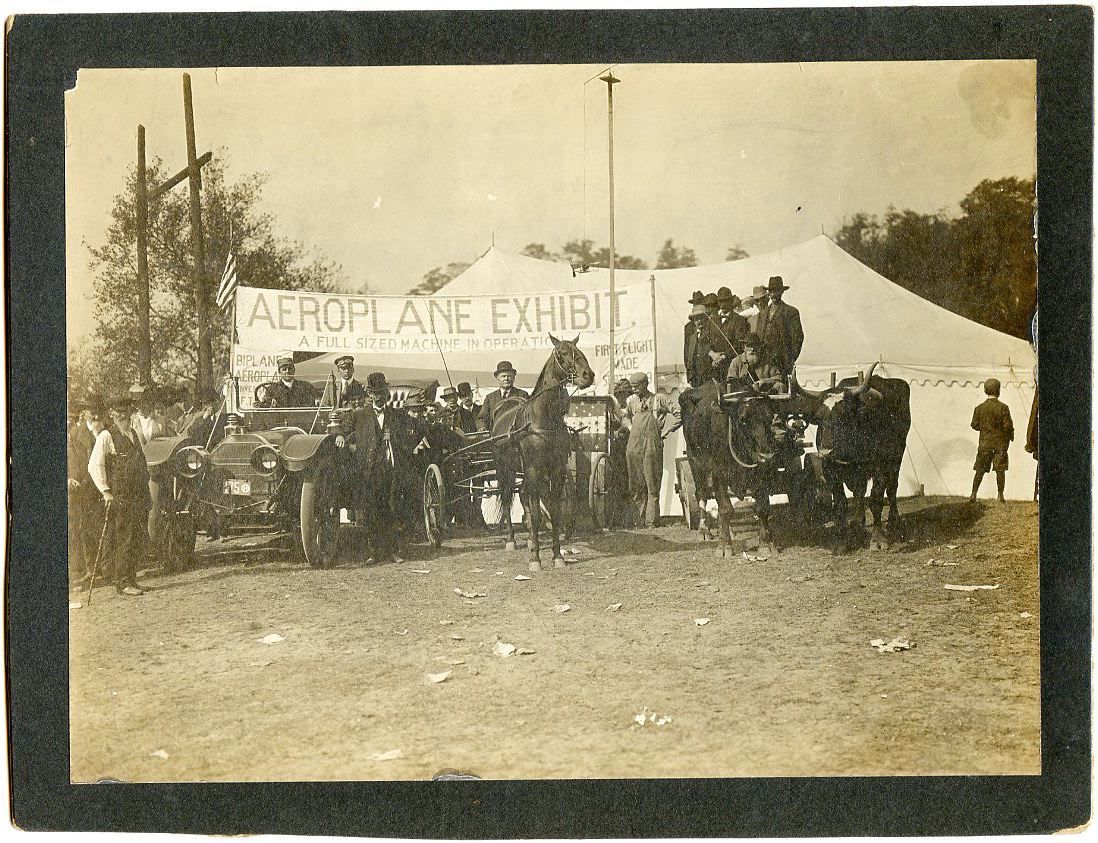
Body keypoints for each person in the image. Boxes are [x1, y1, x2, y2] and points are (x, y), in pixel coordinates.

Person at [335, 372, 412, 563]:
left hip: (390, 468)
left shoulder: (396, 415)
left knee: (392, 509)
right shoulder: (359, 415)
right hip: (368, 470)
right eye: (375, 393)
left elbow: (413, 430)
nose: (378, 396)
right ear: (369, 394)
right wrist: (339, 436)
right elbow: (341, 427)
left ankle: (394, 551)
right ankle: (374, 552)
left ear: (386, 392)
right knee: (371, 511)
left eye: (381, 392)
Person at [87, 395, 152, 595]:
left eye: (128, 413)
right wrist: (106, 491)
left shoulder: (133, 433)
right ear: (113, 416)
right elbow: (94, 465)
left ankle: (131, 578)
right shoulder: (107, 436)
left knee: (137, 537)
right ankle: (122, 583)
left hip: (138, 493)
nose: (125, 417)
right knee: (123, 537)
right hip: (121, 495)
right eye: (120, 414)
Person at [623, 371, 681, 528]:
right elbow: (625, 417)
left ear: (645, 384)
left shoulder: (659, 399)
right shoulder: (631, 401)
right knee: (636, 484)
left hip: (652, 444)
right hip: (634, 445)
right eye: (632, 387)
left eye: (637, 387)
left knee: (652, 483)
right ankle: (638, 521)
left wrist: (666, 431)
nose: (634, 390)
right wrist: (630, 427)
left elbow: (679, 413)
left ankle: (651, 521)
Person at [68, 397, 105, 586]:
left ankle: (108, 567)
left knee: (106, 527)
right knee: (87, 528)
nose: (95, 414)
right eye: (91, 410)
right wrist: (78, 481)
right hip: (86, 487)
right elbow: (75, 461)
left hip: (105, 485)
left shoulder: (107, 430)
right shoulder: (77, 433)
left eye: (97, 410)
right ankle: (92, 569)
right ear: (85, 413)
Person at [969, 377, 1014, 503]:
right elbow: (1008, 426)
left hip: (985, 443)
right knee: (1000, 470)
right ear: (998, 391)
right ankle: (1000, 495)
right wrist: (1009, 437)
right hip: (1000, 443)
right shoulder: (1003, 407)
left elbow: (974, 425)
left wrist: (984, 429)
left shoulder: (979, 408)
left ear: (985, 391)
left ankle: (973, 494)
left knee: (980, 469)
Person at [754, 275, 804, 378]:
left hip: (782, 362)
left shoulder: (790, 312)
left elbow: (797, 338)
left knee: (780, 390)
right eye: (771, 291)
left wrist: (790, 359)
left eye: (776, 291)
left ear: (782, 292)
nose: (773, 294)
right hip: (764, 362)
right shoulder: (763, 313)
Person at [609, 378, 635, 528]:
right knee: (618, 483)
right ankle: (615, 519)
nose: (622, 396)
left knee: (628, 483)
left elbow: (630, 424)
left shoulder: (630, 407)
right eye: (620, 394)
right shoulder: (615, 407)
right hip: (617, 449)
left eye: (625, 394)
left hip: (629, 446)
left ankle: (629, 519)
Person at [476, 361, 530, 432]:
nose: (506, 378)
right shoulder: (490, 398)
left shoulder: (522, 395)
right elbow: (481, 418)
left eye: (509, 376)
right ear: (497, 378)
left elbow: (528, 417)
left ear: (514, 378)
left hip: (515, 437)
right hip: (495, 439)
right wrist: (482, 427)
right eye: (503, 376)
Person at [255, 353, 320, 408]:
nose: (287, 371)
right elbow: (266, 407)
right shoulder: (272, 389)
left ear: (294, 370)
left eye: (290, 368)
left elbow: (317, 400)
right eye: (284, 369)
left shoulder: (306, 386)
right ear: (279, 372)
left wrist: (317, 400)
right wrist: (261, 405)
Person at [683, 304, 715, 388]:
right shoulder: (692, 337)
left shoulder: (712, 334)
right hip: (696, 378)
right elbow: (689, 358)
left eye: (702, 318)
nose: (699, 321)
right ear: (693, 321)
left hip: (709, 377)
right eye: (697, 319)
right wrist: (690, 377)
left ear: (706, 318)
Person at [130, 382, 167, 448]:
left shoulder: (160, 420)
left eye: (147, 400)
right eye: (140, 401)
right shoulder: (132, 420)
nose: (145, 404)